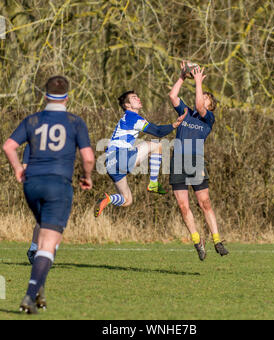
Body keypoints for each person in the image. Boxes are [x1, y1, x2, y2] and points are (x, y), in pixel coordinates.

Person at [2, 75, 95, 314]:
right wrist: (87, 176)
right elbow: (88, 157)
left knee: (46, 236)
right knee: (49, 241)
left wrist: (18, 169)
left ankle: (39, 287)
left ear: (45, 96)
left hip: (32, 185)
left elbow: (9, 146)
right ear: (66, 97)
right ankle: (29, 295)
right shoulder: (75, 121)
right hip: (58, 185)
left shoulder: (32, 120)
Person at [168, 62, 229, 261]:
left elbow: (200, 105)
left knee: (204, 203)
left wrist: (197, 83)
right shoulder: (186, 112)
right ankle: (197, 241)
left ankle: (217, 240)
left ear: (210, 106)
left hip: (195, 161)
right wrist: (181, 77)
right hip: (178, 160)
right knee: (183, 206)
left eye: (205, 98)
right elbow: (173, 96)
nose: (201, 99)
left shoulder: (207, 118)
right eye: (201, 95)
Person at [94, 90, 187, 217]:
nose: (138, 98)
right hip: (120, 157)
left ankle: (107, 199)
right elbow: (158, 132)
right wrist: (174, 125)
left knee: (127, 200)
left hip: (110, 164)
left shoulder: (127, 118)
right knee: (157, 146)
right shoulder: (132, 117)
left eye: (137, 96)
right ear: (127, 105)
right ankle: (153, 183)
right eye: (133, 97)